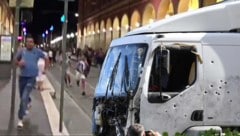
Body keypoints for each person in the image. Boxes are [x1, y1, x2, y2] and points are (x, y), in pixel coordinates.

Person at [15, 34, 48, 128]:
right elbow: (15, 60)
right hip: (22, 77)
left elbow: (46, 58)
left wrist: (45, 69)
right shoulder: (22, 51)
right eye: (28, 42)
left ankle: (20, 119)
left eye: (31, 42)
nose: (29, 43)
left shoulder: (37, 52)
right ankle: (28, 101)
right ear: (25, 43)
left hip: (31, 78)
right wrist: (19, 63)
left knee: (23, 97)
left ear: (34, 43)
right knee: (23, 96)